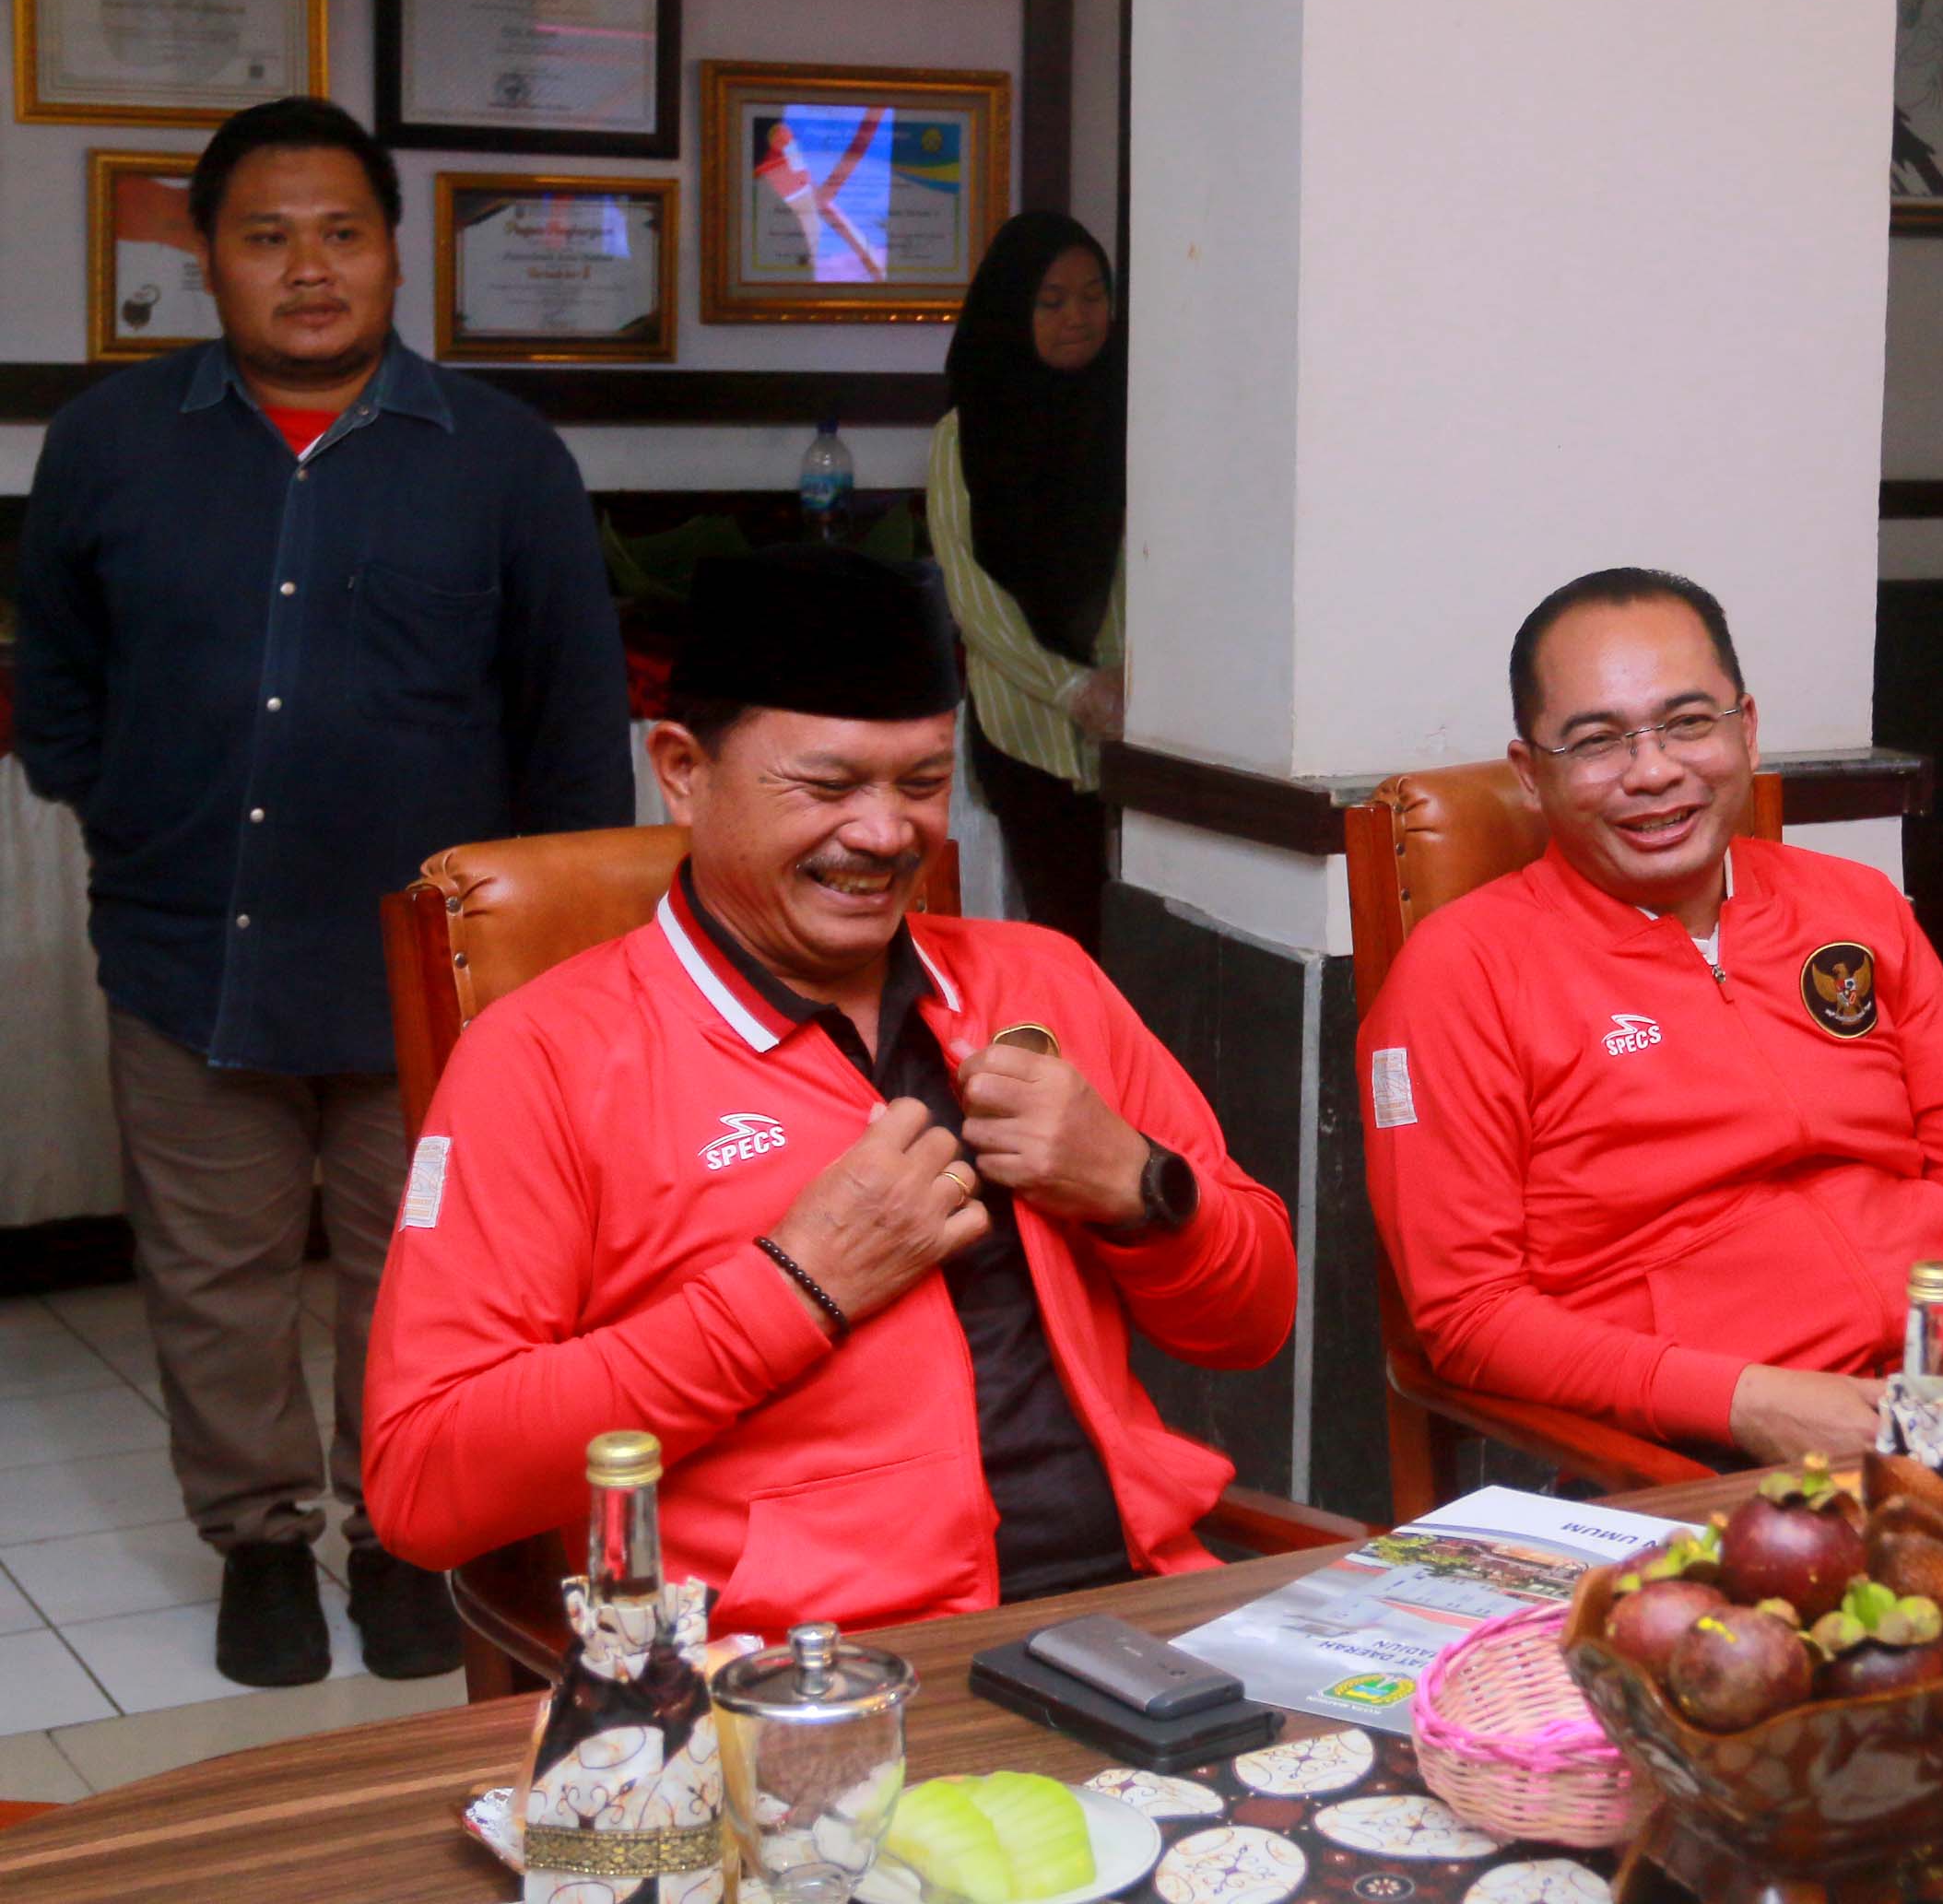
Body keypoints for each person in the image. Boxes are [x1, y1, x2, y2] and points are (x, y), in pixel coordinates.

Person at [363, 548, 1295, 1634]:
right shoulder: (546, 1057)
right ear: (682, 770)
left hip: (1142, 1606)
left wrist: (1137, 1184)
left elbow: (1254, 1323)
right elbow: (424, 1480)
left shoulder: (1041, 980)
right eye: (828, 785)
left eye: (923, 782)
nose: (886, 833)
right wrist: (795, 1287)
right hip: (810, 1669)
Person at [16, 98, 629, 1687]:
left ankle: (402, 1533)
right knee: (212, 1279)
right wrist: (127, 812)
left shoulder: (502, 457)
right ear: (207, 258)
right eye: (267, 235)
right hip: (188, 948)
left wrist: (551, 956)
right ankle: (263, 1543)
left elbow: (572, 728)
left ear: (395, 254)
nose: (309, 268)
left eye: (342, 232)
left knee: (419, 1272)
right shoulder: (109, 444)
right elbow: (57, 675)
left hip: (433, 976)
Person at [1360, 568, 1943, 1466]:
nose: (1654, 771)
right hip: (1678, 1452)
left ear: (1748, 729)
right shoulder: (1461, 972)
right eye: (1596, 741)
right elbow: (1469, 1313)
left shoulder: (1858, 908)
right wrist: (1746, 1404)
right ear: (1530, 775)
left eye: (1690, 723)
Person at [924, 213, 1128, 944]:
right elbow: (972, 596)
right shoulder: (968, 434)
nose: (1079, 316)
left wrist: (1137, 678)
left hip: (1142, 727)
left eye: (1093, 295)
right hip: (1029, 728)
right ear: (1014, 310)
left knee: (1146, 947)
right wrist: (1072, 688)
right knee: (1066, 935)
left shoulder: (1139, 413)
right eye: (1051, 301)